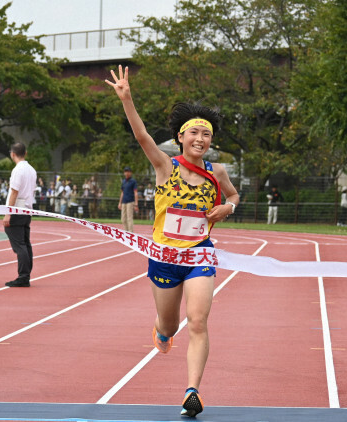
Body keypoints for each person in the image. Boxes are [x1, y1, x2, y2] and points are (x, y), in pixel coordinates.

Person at [107, 65, 239, 417]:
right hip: (165, 257)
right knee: (169, 324)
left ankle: (192, 391)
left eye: (206, 134)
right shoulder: (165, 166)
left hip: (199, 256)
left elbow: (234, 196)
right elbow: (141, 137)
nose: (200, 138)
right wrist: (127, 99)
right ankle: (162, 331)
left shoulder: (217, 172)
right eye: (194, 132)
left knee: (197, 321)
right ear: (181, 137)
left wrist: (227, 207)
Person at [3, 143, 37, 288]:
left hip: (17, 209)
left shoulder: (18, 170)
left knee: (20, 244)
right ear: (26, 153)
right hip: (27, 209)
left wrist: (8, 213)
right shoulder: (31, 170)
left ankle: (23, 276)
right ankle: (26, 273)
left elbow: (14, 192)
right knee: (25, 242)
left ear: (12, 154)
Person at [118, 167, 138, 232]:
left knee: (129, 218)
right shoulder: (123, 181)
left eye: (128, 171)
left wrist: (136, 204)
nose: (126, 173)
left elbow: (135, 193)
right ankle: (126, 232)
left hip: (130, 201)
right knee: (123, 219)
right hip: (124, 201)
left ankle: (130, 232)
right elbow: (122, 193)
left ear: (130, 173)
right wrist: (120, 203)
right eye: (125, 171)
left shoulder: (133, 181)